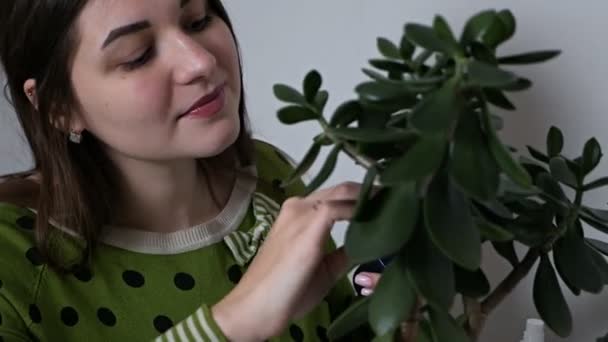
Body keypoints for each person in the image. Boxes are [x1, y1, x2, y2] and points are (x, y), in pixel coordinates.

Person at [0, 0, 382, 340]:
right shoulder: (12, 259)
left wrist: (401, 321)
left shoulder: (267, 173)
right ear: (57, 106)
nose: (200, 61)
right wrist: (234, 322)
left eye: (197, 20)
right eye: (139, 55)